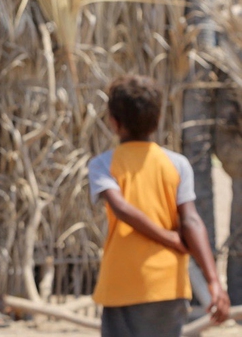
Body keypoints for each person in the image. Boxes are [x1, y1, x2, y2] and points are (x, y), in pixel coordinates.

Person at [87, 74, 230, 336]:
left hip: (121, 282)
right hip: (167, 283)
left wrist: (168, 238)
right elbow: (191, 220)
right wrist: (214, 281)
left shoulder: (103, 164)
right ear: (157, 120)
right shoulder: (176, 164)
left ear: (114, 122)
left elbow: (121, 209)